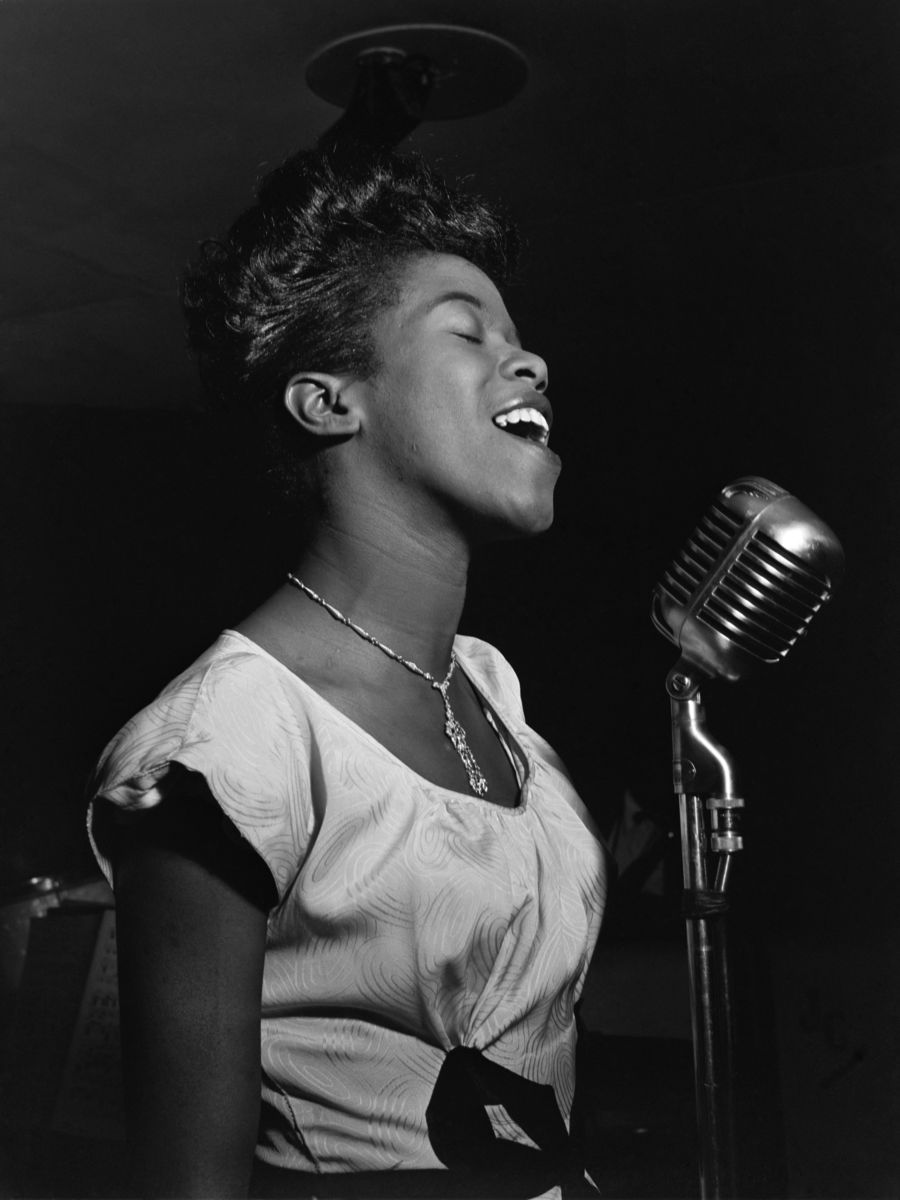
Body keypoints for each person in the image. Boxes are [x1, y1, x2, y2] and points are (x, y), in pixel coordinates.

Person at [88, 147, 610, 1199]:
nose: (530, 362)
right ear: (329, 403)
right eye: (467, 332)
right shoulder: (226, 743)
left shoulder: (492, 695)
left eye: (517, 337)